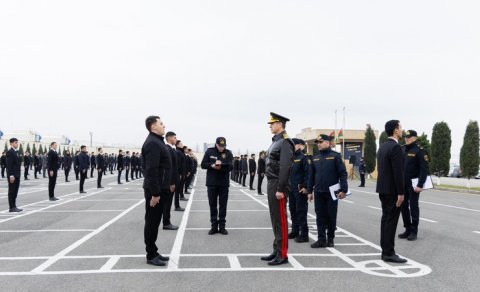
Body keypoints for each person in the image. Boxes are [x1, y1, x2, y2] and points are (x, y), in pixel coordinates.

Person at [261, 112, 294, 266]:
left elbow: (285, 167)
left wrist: (280, 188)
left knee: (281, 219)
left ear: (280, 124)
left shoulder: (285, 142)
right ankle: (276, 250)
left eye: (272, 124)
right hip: (271, 182)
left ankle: (283, 254)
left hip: (278, 184)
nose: (270, 126)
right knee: (275, 218)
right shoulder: (276, 141)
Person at [142, 115, 172, 266]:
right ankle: (150, 255)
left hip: (161, 188)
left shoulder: (157, 141)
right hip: (155, 191)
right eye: (161, 123)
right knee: (152, 222)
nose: (163, 125)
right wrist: (155, 193)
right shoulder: (153, 143)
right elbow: (151, 170)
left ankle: (154, 251)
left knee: (154, 222)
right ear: (153, 127)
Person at [308, 134, 348, 248]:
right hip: (319, 191)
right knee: (320, 216)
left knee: (331, 216)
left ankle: (330, 239)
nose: (318, 144)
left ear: (327, 142)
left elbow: (342, 174)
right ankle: (321, 239)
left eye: (320, 142)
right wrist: (310, 191)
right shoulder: (315, 158)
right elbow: (311, 176)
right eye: (317, 143)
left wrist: (343, 190)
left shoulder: (335, 156)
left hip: (332, 192)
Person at [376, 120, 407, 263]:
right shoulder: (395, 148)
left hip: (383, 189)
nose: (402, 129)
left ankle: (385, 251)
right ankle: (388, 253)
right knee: (391, 222)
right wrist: (401, 193)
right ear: (395, 130)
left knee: (386, 220)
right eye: (400, 127)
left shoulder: (382, 146)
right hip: (393, 191)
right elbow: (398, 173)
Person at [399, 130, 429, 241]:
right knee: (403, 206)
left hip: (414, 185)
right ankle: (407, 228)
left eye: (409, 137)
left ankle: (414, 231)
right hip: (403, 183)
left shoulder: (420, 151)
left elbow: (424, 169)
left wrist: (420, 184)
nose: (407, 139)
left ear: (415, 138)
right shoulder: (402, 149)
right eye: (406, 137)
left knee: (414, 207)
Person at [201, 137, 233, 235]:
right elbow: (203, 164)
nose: (222, 148)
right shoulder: (209, 152)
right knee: (213, 205)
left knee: (223, 206)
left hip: (223, 183)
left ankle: (222, 226)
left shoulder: (228, 153)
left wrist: (220, 168)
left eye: (223, 146)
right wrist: (212, 165)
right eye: (220, 146)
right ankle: (214, 226)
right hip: (212, 183)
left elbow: (231, 166)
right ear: (216, 144)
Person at [289, 138, 312, 243]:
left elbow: (308, 174)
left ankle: (304, 234)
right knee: (293, 210)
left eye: (292, 144)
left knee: (301, 211)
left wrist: (307, 188)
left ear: (298, 145)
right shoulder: (291, 157)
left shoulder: (303, 158)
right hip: (291, 189)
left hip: (300, 189)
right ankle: (295, 231)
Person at [163, 131, 180, 230]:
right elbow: (170, 168)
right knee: (167, 202)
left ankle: (166, 221)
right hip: (170, 182)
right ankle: (166, 222)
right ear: (169, 138)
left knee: (168, 202)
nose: (176, 139)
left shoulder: (171, 149)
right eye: (174, 137)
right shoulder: (168, 149)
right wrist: (171, 183)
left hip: (173, 180)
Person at [6, 138, 23, 212]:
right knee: (12, 191)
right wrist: (11, 175)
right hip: (13, 175)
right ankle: (11, 207)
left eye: (17, 142)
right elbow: (9, 165)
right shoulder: (10, 152)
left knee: (15, 191)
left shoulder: (16, 152)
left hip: (17, 174)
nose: (17, 144)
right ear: (11, 143)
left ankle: (14, 206)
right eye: (16, 142)